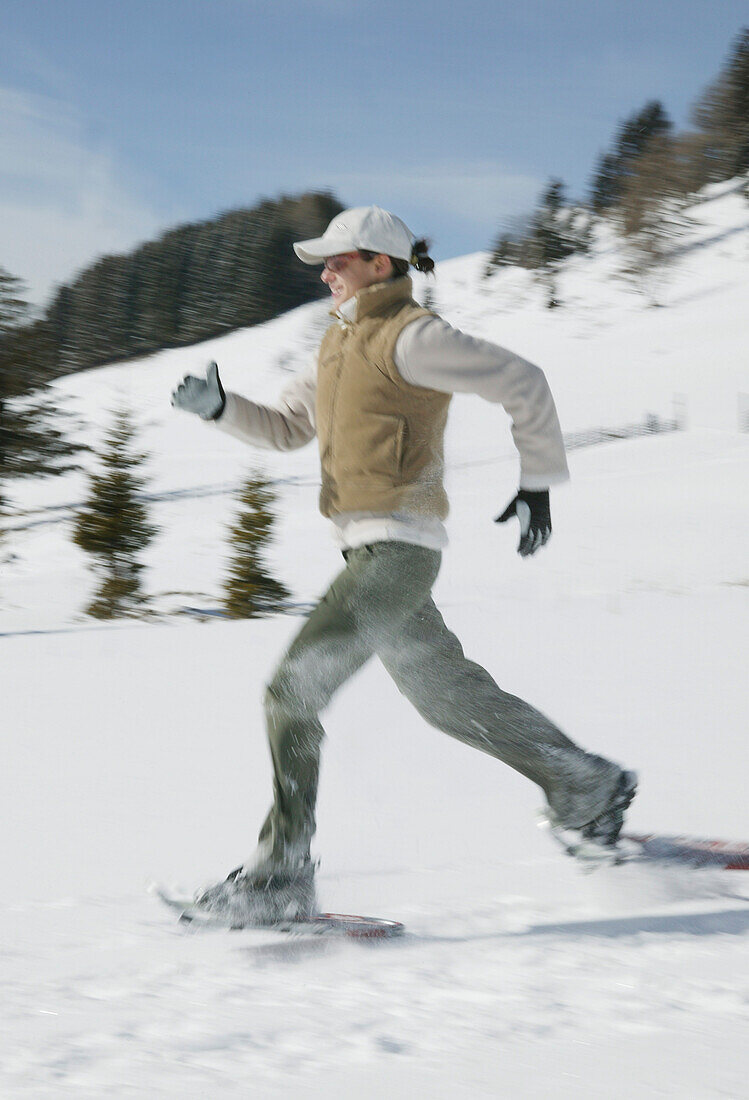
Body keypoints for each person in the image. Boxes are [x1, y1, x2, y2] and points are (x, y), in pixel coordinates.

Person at [172, 205, 636, 924]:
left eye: (338, 259)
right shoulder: (334, 345)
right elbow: (289, 429)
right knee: (449, 702)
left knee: (291, 695)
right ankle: (585, 785)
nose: (325, 271)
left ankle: (279, 877)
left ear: (379, 265)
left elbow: (523, 380)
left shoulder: (412, 337)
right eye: (323, 261)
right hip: (373, 554)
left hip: (395, 551)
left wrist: (537, 479)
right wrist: (220, 408)